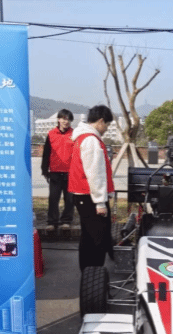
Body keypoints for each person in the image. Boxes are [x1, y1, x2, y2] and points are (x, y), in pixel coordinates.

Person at [68, 105, 114, 271]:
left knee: (88, 236)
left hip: (84, 195)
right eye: (107, 125)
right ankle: (94, 274)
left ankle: (88, 273)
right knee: (97, 239)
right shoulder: (91, 140)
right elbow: (95, 173)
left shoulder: (82, 137)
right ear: (100, 121)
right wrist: (100, 202)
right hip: (90, 196)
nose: (106, 129)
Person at [41, 109, 75, 231]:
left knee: (70, 199)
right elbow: (46, 153)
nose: (66, 121)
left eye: (69, 119)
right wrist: (44, 170)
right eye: (64, 119)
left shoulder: (74, 134)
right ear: (59, 119)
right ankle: (52, 222)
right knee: (53, 199)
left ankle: (66, 221)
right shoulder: (51, 134)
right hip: (55, 172)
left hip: (70, 172)